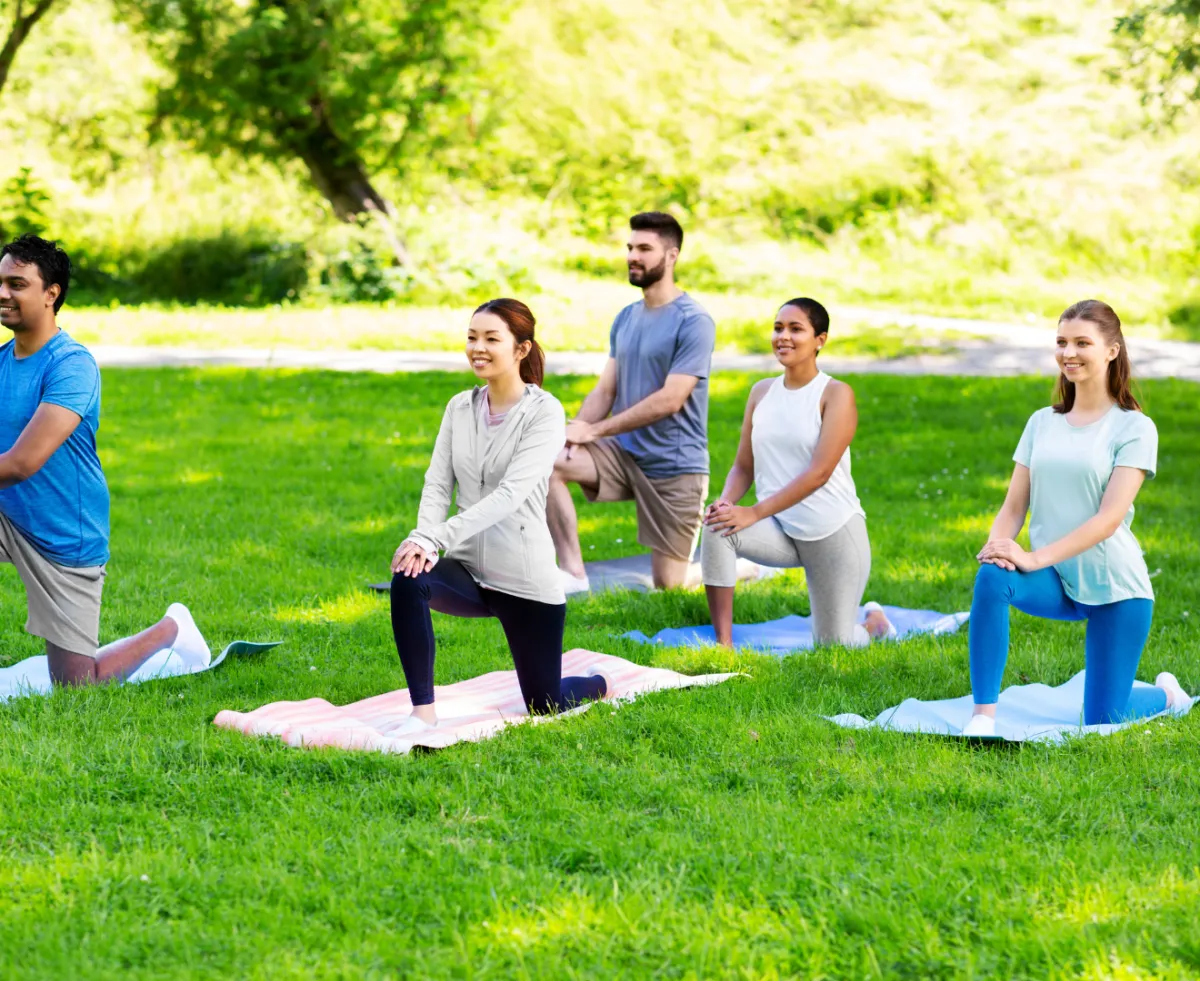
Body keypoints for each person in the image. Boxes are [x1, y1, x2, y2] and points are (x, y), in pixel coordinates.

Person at [962, 299, 1190, 737]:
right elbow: (1013, 507)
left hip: (1115, 587)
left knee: (1104, 717)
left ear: (1112, 350)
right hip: (1055, 579)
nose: (1069, 353)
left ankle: (1166, 696)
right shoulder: (1041, 422)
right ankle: (982, 719)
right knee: (992, 576)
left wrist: (1034, 557)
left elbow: (1108, 520)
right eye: (1062, 342)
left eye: (1082, 343)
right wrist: (1000, 547)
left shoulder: (1135, 428)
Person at [388, 299, 609, 735]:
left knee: (544, 704)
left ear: (521, 349)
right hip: (469, 569)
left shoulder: (544, 412)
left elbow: (511, 494)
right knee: (408, 578)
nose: (478, 348)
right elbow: (438, 483)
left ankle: (600, 682)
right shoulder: (459, 407)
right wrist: (423, 538)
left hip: (524, 579)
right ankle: (423, 714)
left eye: (492, 339)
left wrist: (439, 536)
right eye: (472, 337)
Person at [0, 235, 207, 686]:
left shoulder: (71, 366)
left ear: (51, 294)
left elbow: (21, 464)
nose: (2, 293)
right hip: (7, 515)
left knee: (77, 685)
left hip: (63, 536)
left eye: (17, 284)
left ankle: (172, 629)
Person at [701, 297, 893, 648]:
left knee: (834, 644)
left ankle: (874, 624)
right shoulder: (761, 392)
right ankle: (723, 645)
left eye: (795, 329)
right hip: (781, 528)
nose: (783, 337)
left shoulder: (836, 394)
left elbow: (819, 473)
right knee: (718, 526)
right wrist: (727, 503)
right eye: (778, 328)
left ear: (820, 340)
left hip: (832, 533)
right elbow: (744, 465)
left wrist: (753, 512)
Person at [547, 211, 716, 592]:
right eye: (630, 248)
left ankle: (739, 569)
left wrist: (597, 430)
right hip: (624, 454)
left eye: (644, 248)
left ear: (671, 256)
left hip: (675, 466)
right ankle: (573, 576)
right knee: (547, 460)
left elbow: (671, 400)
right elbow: (606, 390)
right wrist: (574, 433)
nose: (632, 256)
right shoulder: (626, 317)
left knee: (669, 585)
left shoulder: (694, 321)